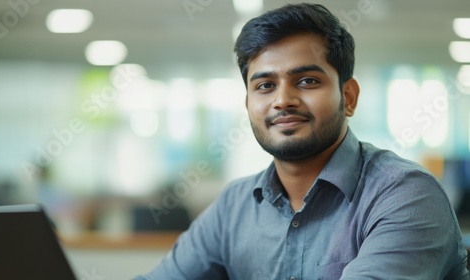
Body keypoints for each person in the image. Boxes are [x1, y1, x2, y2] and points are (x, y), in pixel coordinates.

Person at [136, 3, 469, 279]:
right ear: (248, 103)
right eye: (265, 85)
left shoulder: (405, 193)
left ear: (348, 96)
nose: (282, 100)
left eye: (307, 81)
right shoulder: (234, 206)